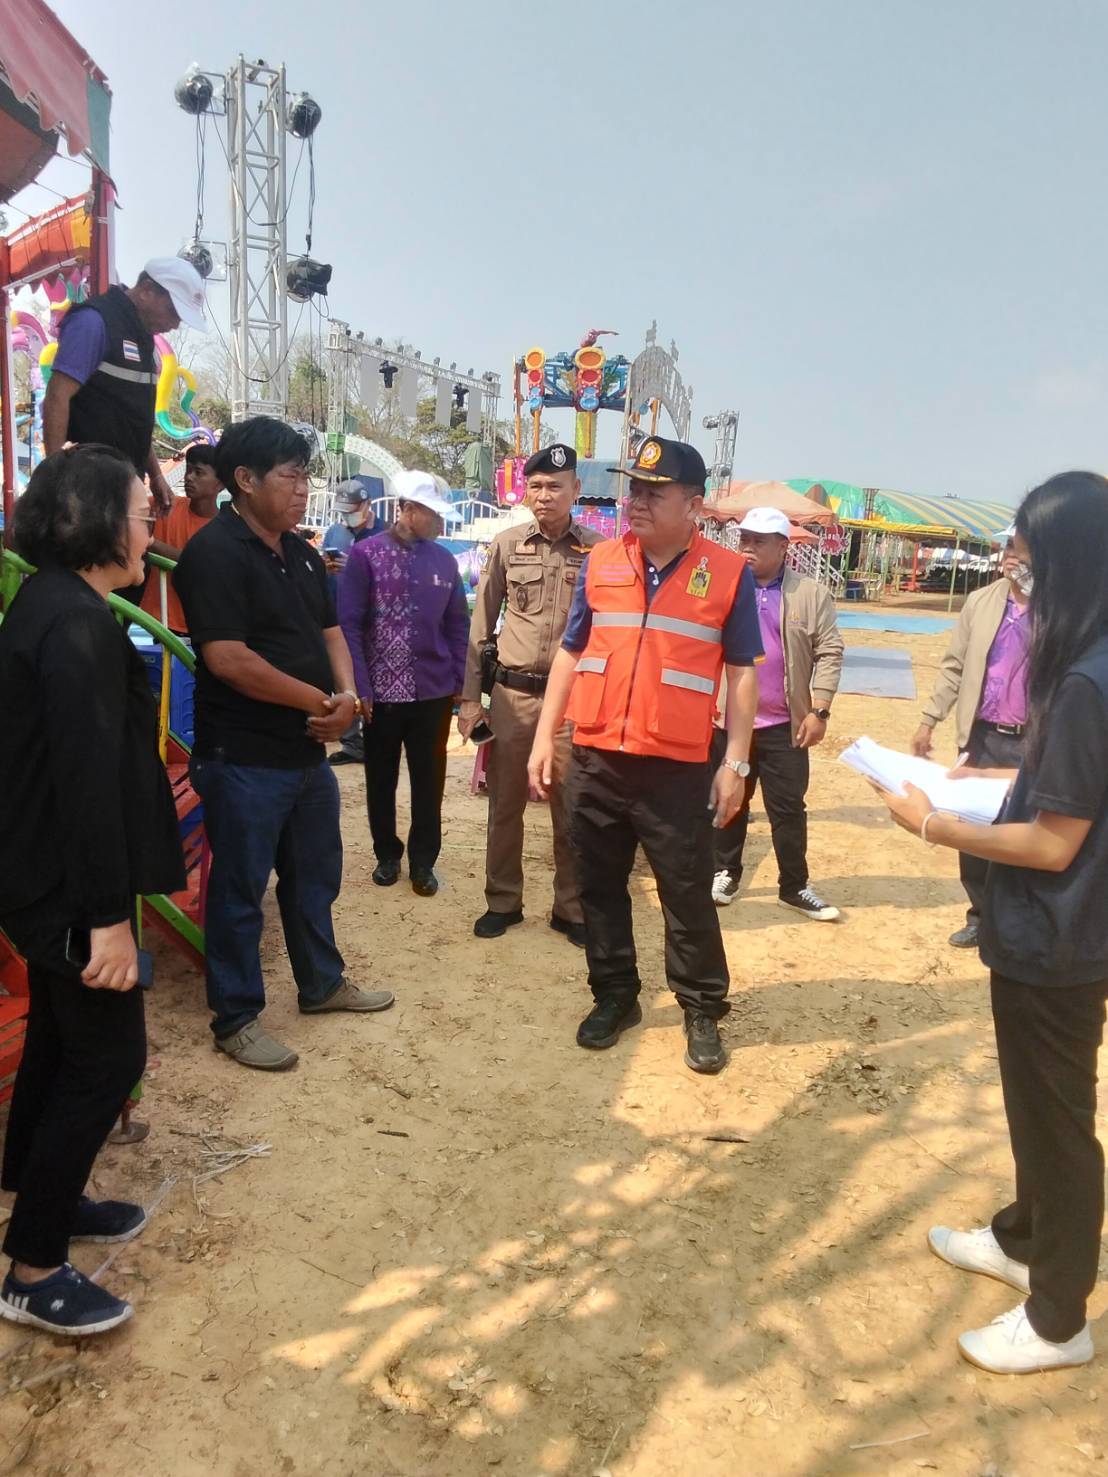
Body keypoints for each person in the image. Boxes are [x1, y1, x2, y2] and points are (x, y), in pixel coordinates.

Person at [875, 471, 1108, 1375]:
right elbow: (1067, 790)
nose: (1019, 576)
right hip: (1058, 931)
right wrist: (988, 781)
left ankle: (1057, 1317)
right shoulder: (1089, 661)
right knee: (1034, 1107)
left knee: (1058, 1124)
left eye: (1029, 561)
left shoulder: (1085, 681)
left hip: (1059, 936)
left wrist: (934, 822)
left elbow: (1054, 840)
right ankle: (1021, 1238)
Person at [0, 445, 185, 1336]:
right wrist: (110, 919)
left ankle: (38, 1186)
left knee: (57, 1036)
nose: (153, 530)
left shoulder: (55, 602)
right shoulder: (75, 623)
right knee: (108, 1057)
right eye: (145, 515)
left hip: (42, 872)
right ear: (100, 522)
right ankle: (33, 1266)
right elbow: (86, 783)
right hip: (69, 885)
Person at [528, 436, 761, 1075]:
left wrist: (736, 763)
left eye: (655, 492)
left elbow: (742, 672)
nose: (637, 501)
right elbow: (572, 651)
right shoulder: (603, 560)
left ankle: (701, 1007)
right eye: (634, 488)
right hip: (597, 756)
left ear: (694, 504)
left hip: (676, 767)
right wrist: (546, 736)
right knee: (599, 886)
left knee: (685, 892)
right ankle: (615, 995)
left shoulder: (728, 573)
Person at [175, 418, 394, 1072]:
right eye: (291, 476)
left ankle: (321, 983)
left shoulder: (298, 552)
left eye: (306, 476)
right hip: (243, 757)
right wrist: (319, 703)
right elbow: (229, 659)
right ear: (245, 480)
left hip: (305, 755)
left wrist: (346, 695)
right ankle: (236, 1017)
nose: (304, 489)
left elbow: (331, 633)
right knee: (240, 891)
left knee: (313, 876)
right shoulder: (214, 553)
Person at [458, 444, 602, 947]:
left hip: (572, 703)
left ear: (575, 490)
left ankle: (571, 908)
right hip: (512, 698)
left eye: (555, 486)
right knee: (505, 805)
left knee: (571, 807)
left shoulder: (600, 552)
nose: (544, 496)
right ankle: (503, 901)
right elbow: (480, 626)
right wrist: (470, 700)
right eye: (536, 486)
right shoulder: (506, 545)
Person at [338, 470, 470, 898]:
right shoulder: (365, 556)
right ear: (409, 510)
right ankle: (387, 854)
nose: (440, 523)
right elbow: (349, 625)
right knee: (381, 778)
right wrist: (361, 686)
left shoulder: (445, 561)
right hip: (380, 695)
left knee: (429, 782)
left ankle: (423, 861)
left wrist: (459, 681)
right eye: (434, 514)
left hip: (432, 691)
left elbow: (457, 625)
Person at [711, 507, 844, 920]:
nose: (747, 548)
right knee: (728, 800)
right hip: (730, 720)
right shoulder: (723, 588)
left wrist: (819, 709)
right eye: (744, 539)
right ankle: (724, 872)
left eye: (759, 541)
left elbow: (830, 651)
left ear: (783, 547)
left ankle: (794, 886)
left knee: (788, 809)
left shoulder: (810, 594)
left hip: (785, 724)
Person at [910, 525, 1030, 949]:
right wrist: (929, 720)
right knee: (976, 827)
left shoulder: (1062, 609)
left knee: (1026, 830)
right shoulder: (981, 602)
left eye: (1021, 548)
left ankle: (1017, 921)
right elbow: (954, 667)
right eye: (1008, 547)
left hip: (1033, 741)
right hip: (981, 736)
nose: (1011, 555)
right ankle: (980, 916)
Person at [43, 258, 208, 517]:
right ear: (147, 290)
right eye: (173, 311)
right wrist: (53, 481)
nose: (175, 324)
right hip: (85, 489)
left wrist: (155, 475)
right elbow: (56, 397)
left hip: (124, 487)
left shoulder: (146, 342)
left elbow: (134, 419)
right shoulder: (94, 322)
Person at [138, 442, 222, 635]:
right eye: (188, 470)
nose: (189, 477)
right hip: (152, 622)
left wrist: (151, 543)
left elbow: (199, 564)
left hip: (198, 627)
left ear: (221, 483)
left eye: (198, 472)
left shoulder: (224, 529)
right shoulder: (163, 505)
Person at [324, 480, 377, 766]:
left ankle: (375, 739)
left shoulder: (383, 535)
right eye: (343, 511)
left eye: (352, 510)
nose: (347, 516)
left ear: (367, 505)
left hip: (372, 620)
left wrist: (356, 570)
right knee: (341, 676)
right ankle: (352, 742)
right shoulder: (335, 532)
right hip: (337, 616)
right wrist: (326, 566)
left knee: (370, 677)